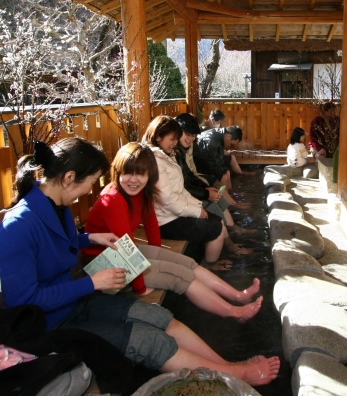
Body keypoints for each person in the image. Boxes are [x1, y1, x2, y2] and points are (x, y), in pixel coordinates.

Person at [0, 138, 280, 386]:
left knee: (160, 318)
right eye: (89, 182)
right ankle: (236, 375)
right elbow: (24, 301)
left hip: (75, 302)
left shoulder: (56, 206)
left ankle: (229, 368)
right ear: (69, 177)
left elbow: (62, 244)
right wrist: (92, 282)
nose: (89, 191)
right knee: (151, 341)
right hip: (52, 326)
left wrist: (89, 238)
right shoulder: (18, 226)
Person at [83, 142, 261, 319]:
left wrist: (158, 253)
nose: (134, 179)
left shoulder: (142, 192)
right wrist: (140, 288)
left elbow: (151, 224)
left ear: (150, 174)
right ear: (117, 171)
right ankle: (235, 312)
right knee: (180, 277)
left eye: (141, 173)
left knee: (187, 263)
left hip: (123, 251)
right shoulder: (113, 200)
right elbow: (125, 250)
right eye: (128, 172)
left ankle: (238, 295)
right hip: (104, 263)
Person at [142, 116, 232, 271]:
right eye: (172, 139)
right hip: (166, 219)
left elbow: (181, 187)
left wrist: (198, 204)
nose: (175, 143)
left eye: (176, 139)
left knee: (217, 213)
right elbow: (168, 198)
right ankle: (209, 264)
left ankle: (226, 240)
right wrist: (199, 206)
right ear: (158, 137)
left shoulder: (167, 155)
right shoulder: (156, 160)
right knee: (217, 224)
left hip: (175, 209)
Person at [174, 113, 255, 236]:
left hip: (195, 175)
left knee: (225, 175)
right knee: (222, 178)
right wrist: (207, 189)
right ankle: (230, 204)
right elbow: (211, 164)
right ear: (228, 136)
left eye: (193, 135)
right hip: (200, 168)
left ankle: (230, 203)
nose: (191, 138)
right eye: (232, 142)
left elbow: (216, 162)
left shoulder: (218, 136)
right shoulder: (211, 141)